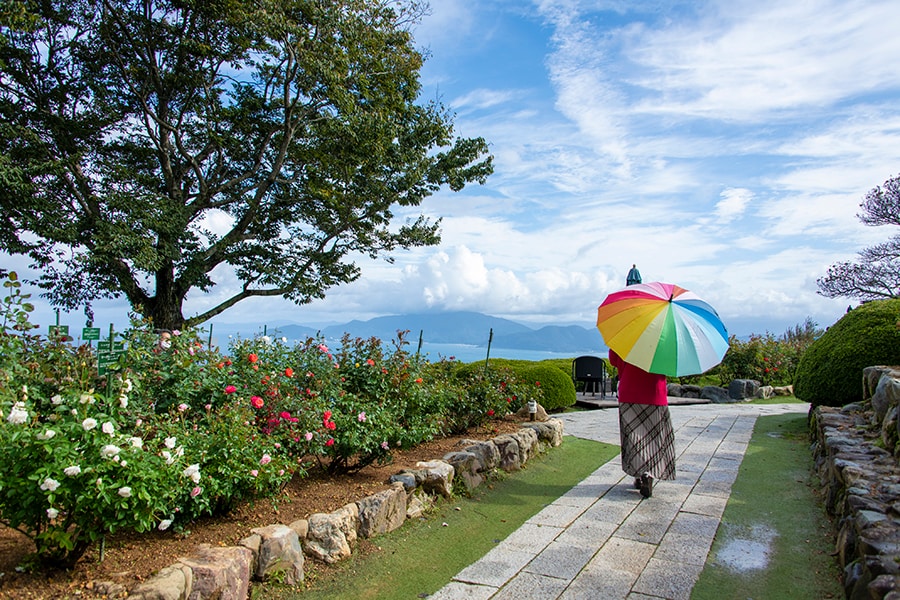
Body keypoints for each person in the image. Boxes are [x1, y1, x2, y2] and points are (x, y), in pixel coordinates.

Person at [608, 348, 675, 498]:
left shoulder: (627, 336)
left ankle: (639, 474)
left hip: (629, 391)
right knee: (655, 437)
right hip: (654, 393)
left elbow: (613, 359)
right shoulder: (662, 340)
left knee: (633, 437)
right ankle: (649, 473)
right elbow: (670, 365)